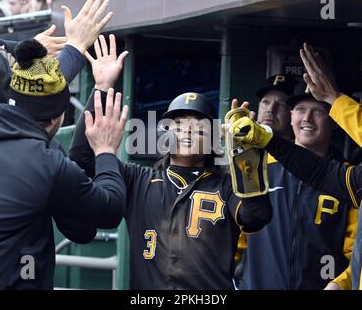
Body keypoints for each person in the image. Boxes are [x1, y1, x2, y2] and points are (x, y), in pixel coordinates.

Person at [69, 34, 273, 290]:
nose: (186, 132)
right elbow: (81, 158)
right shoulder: (138, 178)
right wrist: (101, 85)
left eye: (197, 126)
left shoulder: (226, 185)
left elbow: (256, 217)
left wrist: (246, 158)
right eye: (178, 125)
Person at [0, 0, 121, 289]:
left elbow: (78, 227)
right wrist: (105, 151)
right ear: (58, 119)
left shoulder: (47, 158)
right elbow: (107, 211)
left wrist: (98, 85)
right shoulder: (47, 162)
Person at [235, 83, 357, 290]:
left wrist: (340, 284)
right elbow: (236, 238)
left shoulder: (347, 178)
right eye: (300, 110)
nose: (307, 119)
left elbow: (356, 251)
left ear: (334, 120)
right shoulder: (260, 168)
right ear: (291, 117)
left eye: (318, 111)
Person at [256, 74, 298, 141]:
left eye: (281, 104)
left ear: (293, 114)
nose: (270, 109)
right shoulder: (243, 146)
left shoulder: (300, 150)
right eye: (266, 102)